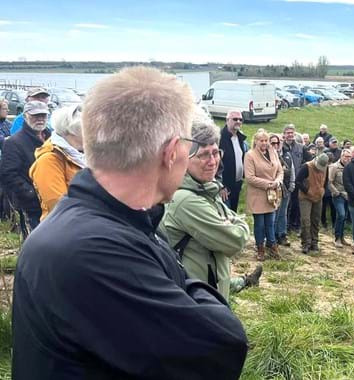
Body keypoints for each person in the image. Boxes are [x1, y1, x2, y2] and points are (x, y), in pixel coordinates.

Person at [12, 67, 248, 379]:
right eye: (190, 145)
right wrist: (187, 287)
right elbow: (224, 347)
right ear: (171, 152)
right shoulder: (94, 250)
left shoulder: (115, 220)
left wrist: (180, 284)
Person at [163, 110, 261, 300]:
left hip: (211, 291)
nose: (212, 161)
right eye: (203, 155)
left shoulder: (206, 188)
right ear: (184, 158)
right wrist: (238, 224)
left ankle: (244, 281)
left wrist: (229, 221)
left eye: (216, 153)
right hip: (196, 302)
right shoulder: (185, 200)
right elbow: (235, 241)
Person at [0, 101, 51, 235]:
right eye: (35, 115)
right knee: (34, 241)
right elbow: (8, 174)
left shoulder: (52, 139)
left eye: (43, 115)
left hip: (52, 200)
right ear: (26, 116)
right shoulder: (13, 142)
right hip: (31, 205)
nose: (40, 119)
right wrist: (31, 194)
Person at [29, 105, 84, 221]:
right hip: (67, 230)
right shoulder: (48, 161)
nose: (92, 135)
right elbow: (58, 206)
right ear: (72, 132)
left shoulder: (81, 155)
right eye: (87, 130)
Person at [245, 129, 283, 260]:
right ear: (255, 141)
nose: (264, 143)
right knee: (260, 224)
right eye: (261, 140)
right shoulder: (250, 155)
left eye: (266, 140)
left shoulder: (273, 152)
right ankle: (260, 248)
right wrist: (268, 183)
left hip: (272, 195)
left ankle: (272, 246)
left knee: (270, 223)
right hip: (258, 194)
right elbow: (249, 177)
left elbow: (280, 170)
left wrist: (277, 181)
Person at [296, 153, 330, 254]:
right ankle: (305, 243)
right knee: (305, 220)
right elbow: (298, 181)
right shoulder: (306, 167)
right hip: (305, 197)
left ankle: (314, 242)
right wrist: (307, 190)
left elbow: (326, 180)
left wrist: (322, 190)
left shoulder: (325, 167)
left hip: (318, 197)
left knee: (316, 220)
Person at [217, 110, 246, 212]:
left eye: (240, 119)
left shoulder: (240, 138)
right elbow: (215, 164)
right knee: (225, 215)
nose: (238, 121)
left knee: (234, 213)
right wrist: (220, 186)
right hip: (224, 187)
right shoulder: (219, 138)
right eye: (235, 119)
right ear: (227, 120)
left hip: (237, 184)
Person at [272, 133, 294, 247]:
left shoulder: (287, 154)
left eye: (279, 142)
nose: (277, 144)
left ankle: (282, 234)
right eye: (274, 142)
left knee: (283, 213)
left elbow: (292, 170)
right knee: (274, 213)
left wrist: (292, 184)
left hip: (286, 189)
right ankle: (273, 236)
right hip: (274, 189)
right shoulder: (269, 156)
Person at [329, 148, 352, 248]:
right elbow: (329, 182)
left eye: (349, 157)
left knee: (345, 216)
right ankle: (337, 238)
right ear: (341, 156)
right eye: (346, 156)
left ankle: (342, 237)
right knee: (341, 215)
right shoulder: (334, 167)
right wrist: (336, 192)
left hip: (348, 196)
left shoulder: (351, 167)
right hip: (338, 195)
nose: (348, 159)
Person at [283, 124, 304, 231]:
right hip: (285, 181)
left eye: (292, 133)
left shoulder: (300, 147)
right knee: (285, 205)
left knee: (295, 204)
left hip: (297, 180)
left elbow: (306, 162)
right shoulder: (281, 147)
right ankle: (284, 226)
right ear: (284, 134)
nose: (290, 135)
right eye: (288, 133)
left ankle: (293, 224)